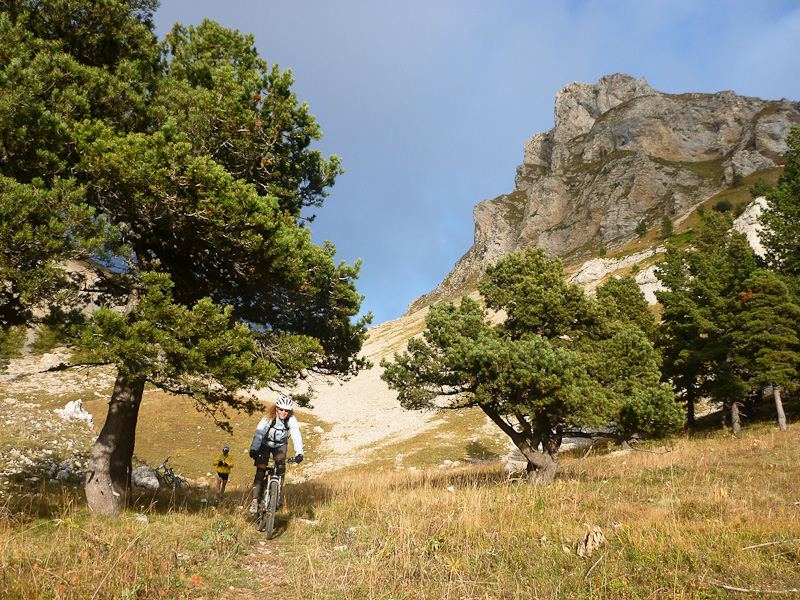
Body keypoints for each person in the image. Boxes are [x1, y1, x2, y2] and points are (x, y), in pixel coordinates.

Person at [248, 394, 304, 513]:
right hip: (265, 444)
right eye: (281, 410)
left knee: (281, 468)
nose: (284, 413)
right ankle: (254, 502)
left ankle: (277, 497)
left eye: (287, 411)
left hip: (280, 445)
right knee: (260, 472)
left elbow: (296, 434)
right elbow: (259, 432)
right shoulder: (270, 416)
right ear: (277, 408)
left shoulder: (291, 419)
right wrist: (254, 449)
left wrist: (299, 453)